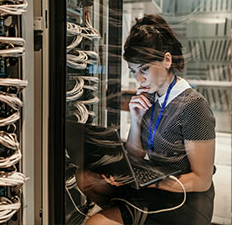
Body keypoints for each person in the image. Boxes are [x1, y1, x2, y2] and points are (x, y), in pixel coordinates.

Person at [75, 14, 216, 225]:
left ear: (167, 60)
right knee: (86, 178)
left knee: (96, 223)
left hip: (186, 199)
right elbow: (136, 154)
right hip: (155, 183)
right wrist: (136, 118)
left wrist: (150, 183)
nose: (139, 79)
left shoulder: (193, 106)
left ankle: (125, 215)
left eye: (145, 69)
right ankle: (127, 213)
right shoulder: (150, 98)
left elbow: (202, 180)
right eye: (133, 71)